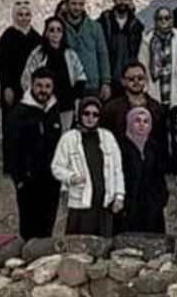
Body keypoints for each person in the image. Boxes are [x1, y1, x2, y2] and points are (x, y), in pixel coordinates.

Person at [51, 97, 125, 237]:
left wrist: (119, 196)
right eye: (86, 113)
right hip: (80, 203)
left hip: (104, 203)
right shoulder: (69, 138)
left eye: (95, 114)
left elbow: (117, 169)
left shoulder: (108, 137)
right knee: (77, 244)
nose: (90, 118)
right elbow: (57, 167)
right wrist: (71, 177)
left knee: (103, 244)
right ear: (80, 114)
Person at [5, 69, 64, 239]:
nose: (43, 90)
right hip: (29, 183)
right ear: (32, 85)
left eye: (47, 86)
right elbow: (11, 149)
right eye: (39, 85)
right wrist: (20, 180)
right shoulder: (19, 114)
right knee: (30, 230)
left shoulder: (55, 110)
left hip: (51, 182)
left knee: (47, 229)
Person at [0, 0, 41, 167]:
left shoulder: (36, 38)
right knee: (11, 128)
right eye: (20, 15)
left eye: (27, 15)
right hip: (11, 90)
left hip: (31, 91)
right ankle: (10, 166)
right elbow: (1, 64)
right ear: (14, 16)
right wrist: (6, 86)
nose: (24, 18)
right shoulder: (7, 37)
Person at [21, 16, 86, 126]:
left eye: (59, 30)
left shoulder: (70, 54)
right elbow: (26, 78)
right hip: (44, 104)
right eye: (52, 30)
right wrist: (35, 98)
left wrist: (76, 97)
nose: (55, 33)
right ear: (46, 33)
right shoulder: (38, 54)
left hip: (66, 106)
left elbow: (80, 76)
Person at [115, 106, 168, 234]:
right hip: (129, 208)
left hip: (152, 207)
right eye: (137, 121)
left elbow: (159, 176)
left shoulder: (153, 146)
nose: (141, 125)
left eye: (146, 121)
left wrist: (160, 199)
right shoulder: (121, 147)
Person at [100, 63, 168, 158]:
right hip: (121, 159)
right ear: (123, 81)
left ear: (145, 80)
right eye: (131, 79)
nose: (136, 82)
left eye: (140, 78)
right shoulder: (111, 108)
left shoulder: (156, 107)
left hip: (152, 160)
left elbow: (163, 141)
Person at [138, 7, 177, 113]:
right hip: (154, 94)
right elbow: (142, 68)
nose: (163, 21)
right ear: (155, 21)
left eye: (167, 18)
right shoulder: (147, 41)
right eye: (160, 18)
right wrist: (144, 91)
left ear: (172, 20)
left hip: (176, 94)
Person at [61, 0, 112, 101]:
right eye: (73, 4)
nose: (77, 7)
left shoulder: (95, 27)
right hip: (66, 84)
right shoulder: (59, 27)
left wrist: (106, 82)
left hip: (91, 84)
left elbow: (102, 54)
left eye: (80, 4)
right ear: (67, 4)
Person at [97, 0, 144, 93]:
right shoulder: (103, 23)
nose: (123, 2)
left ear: (131, 0)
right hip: (108, 80)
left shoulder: (136, 26)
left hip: (129, 80)